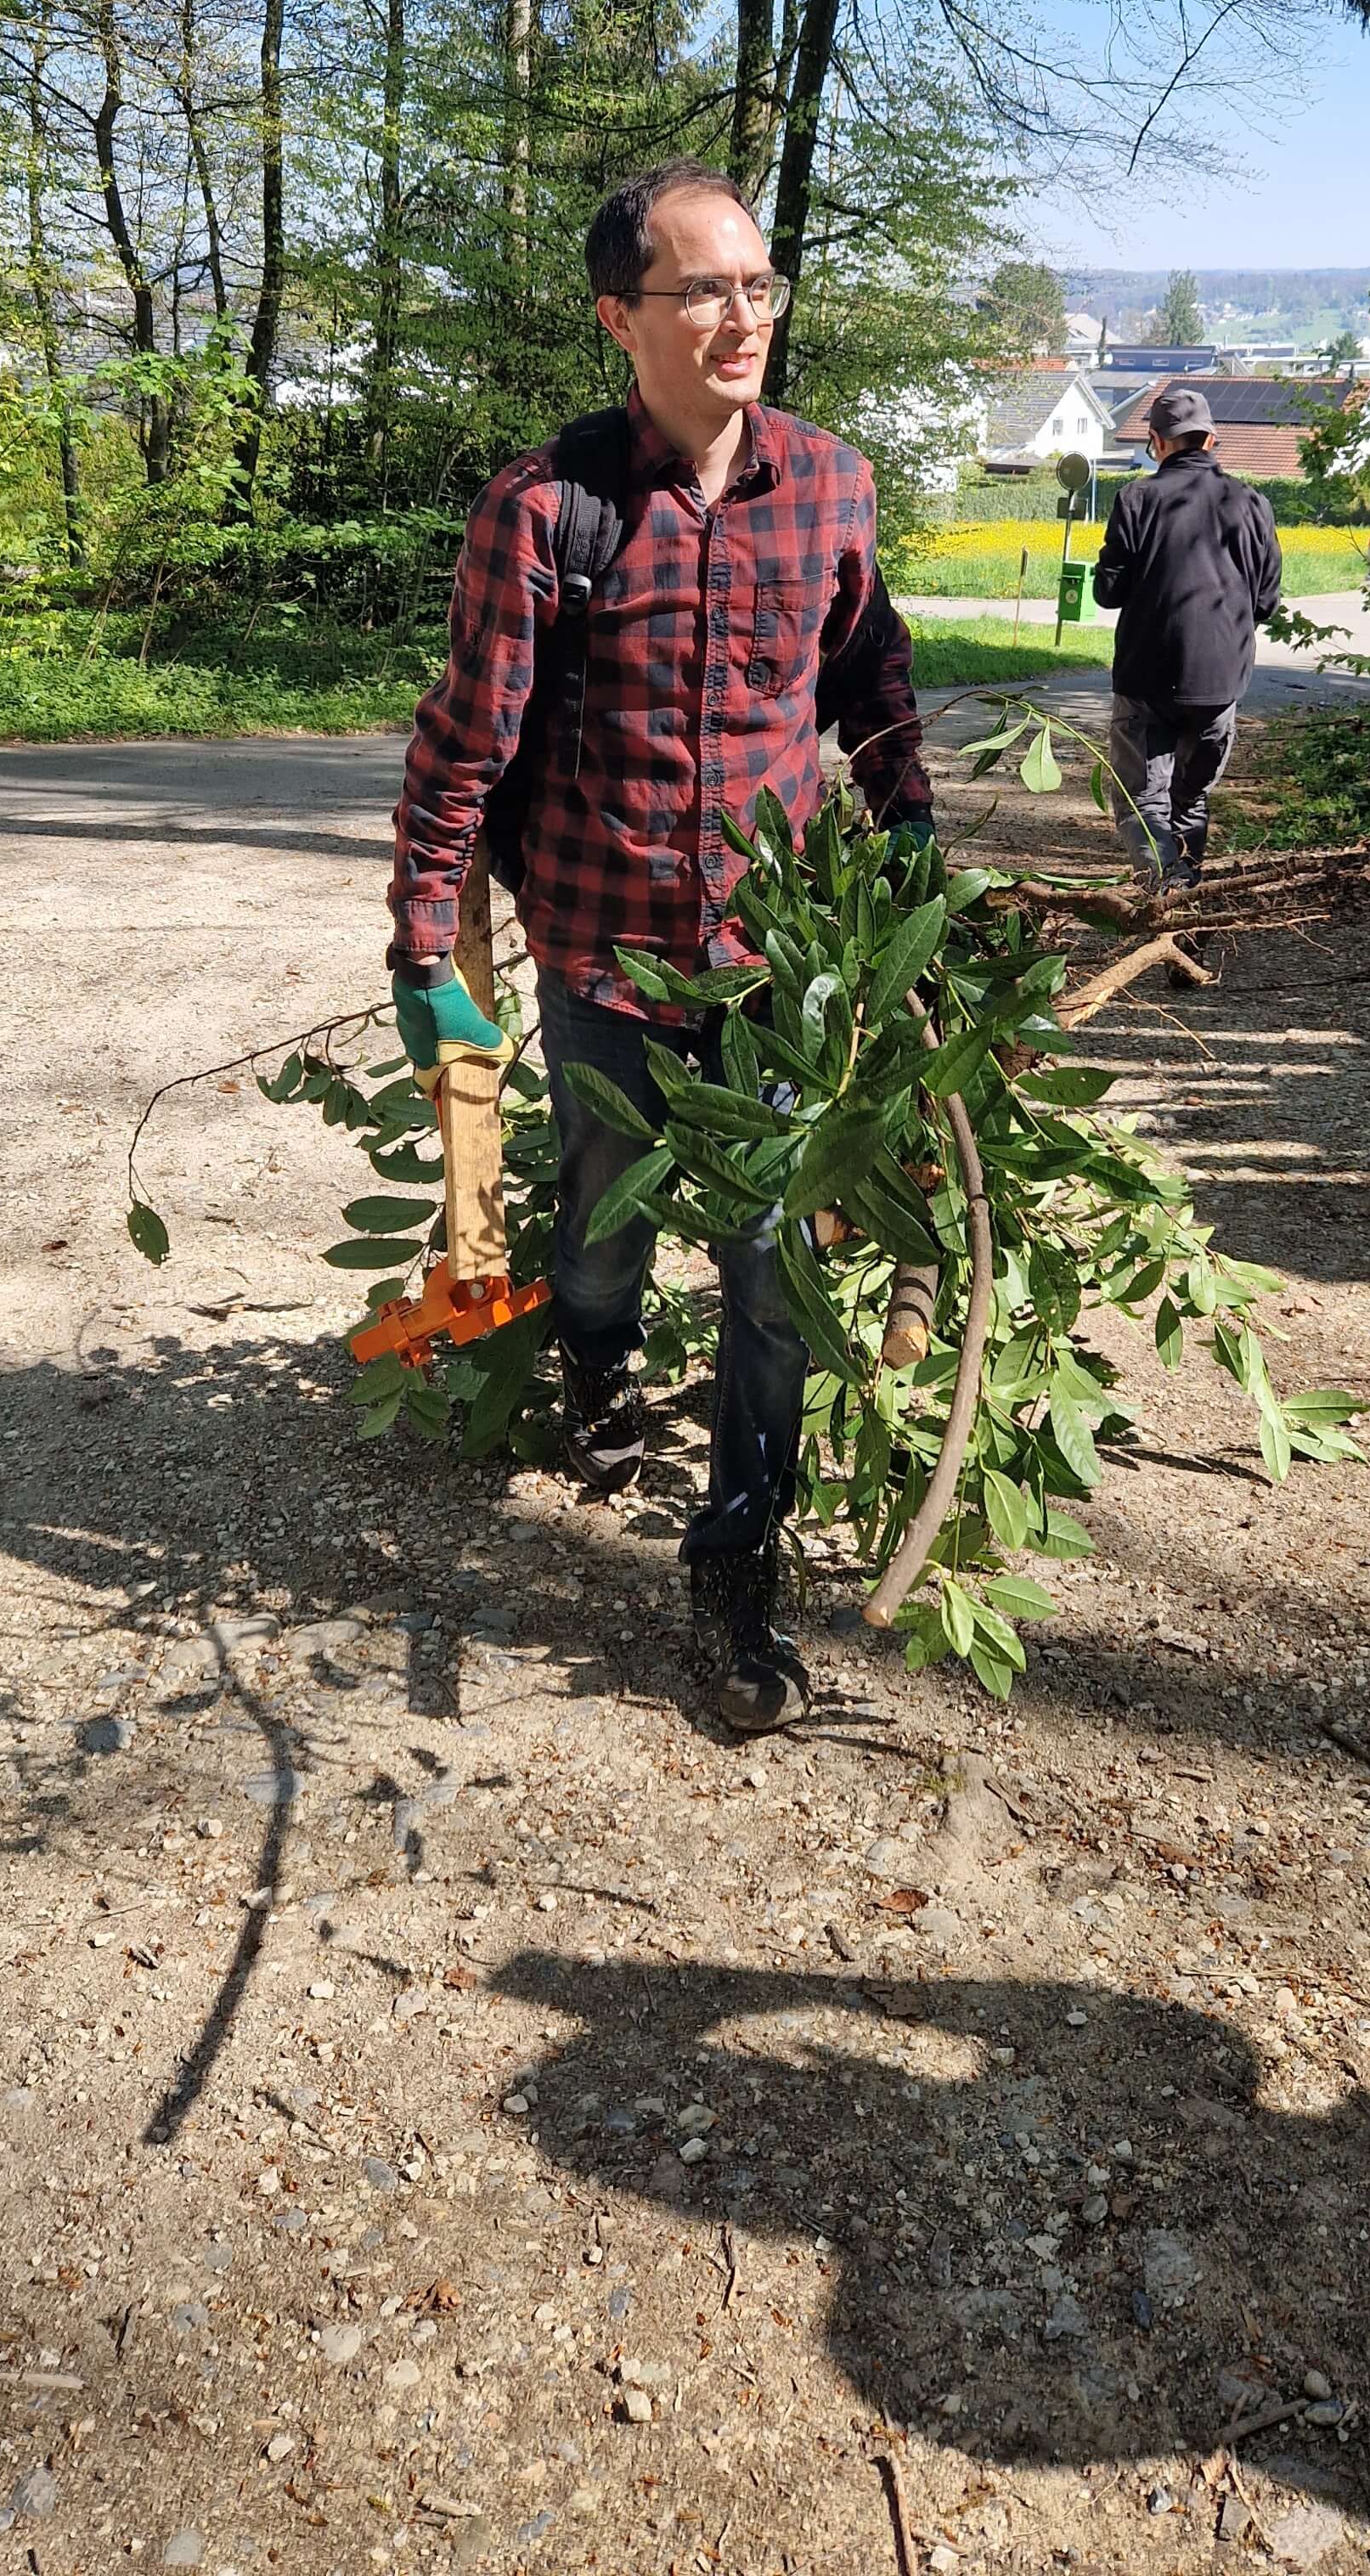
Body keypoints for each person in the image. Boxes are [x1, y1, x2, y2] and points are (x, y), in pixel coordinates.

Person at [385, 160, 935, 1734]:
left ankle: (734, 1564)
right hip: (606, 952)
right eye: (703, 289)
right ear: (622, 317)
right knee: (602, 1227)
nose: (741, 316)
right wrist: (431, 949)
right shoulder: (547, 508)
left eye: (758, 285)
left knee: (773, 1262)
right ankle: (599, 1366)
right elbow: (462, 754)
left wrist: (910, 847)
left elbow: (874, 686)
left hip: (780, 963)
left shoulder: (831, 483)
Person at [1091, 384, 1281, 889]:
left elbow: (1108, 594)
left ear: (1155, 441)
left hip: (1145, 681)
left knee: (1142, 802)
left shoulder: (1136, 498)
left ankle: (1166, 888)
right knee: (1190, 801)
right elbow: (1266, 601)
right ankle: (1185, 906)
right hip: (1220, 684)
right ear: (1212, 441)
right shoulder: (1252, 504)